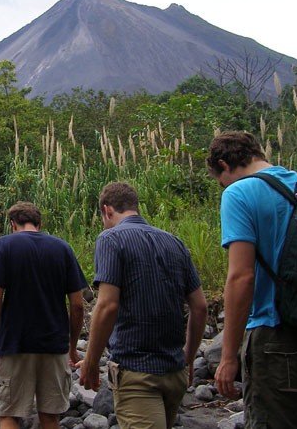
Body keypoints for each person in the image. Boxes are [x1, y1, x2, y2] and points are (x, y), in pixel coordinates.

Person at [207, 131, 297, 428]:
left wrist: (228, 356)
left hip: (276, 339)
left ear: (224, 165)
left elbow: (241, 278)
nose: (221, 185)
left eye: (218, 178)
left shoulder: (238, 193)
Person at [77, 182, 208, 429]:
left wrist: (91, 362)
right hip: (174, 371)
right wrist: (188, 359)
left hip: (136, 373)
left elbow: (107, 306)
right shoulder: (175, 242)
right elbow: (199, 307)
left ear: (107, 210)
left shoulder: (110, 238)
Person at [0, 201, 87, 429]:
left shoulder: (4, 246)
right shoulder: (62, 247)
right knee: (50, 415)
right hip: (54, 344)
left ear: (12, 224)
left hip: (15, 343)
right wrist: (70, 345)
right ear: (39, 223)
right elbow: (77, 304)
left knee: (9, 414)